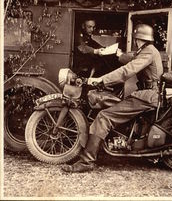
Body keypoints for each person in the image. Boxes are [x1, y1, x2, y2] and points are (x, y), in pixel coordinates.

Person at [62, 23, 163, 173]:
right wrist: (118, 54)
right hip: (146, 94)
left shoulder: (148, 52)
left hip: (147, 96)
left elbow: (127, 70)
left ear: (138, 39)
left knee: (104, 116)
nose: (135, 42)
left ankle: (87, 161)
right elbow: (130, 58)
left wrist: (101, 80)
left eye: (135, 39)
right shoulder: (147, 50)